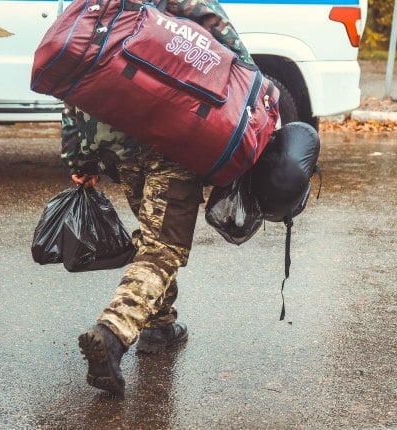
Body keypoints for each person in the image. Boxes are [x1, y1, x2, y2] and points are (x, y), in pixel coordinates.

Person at [60, 0, 254, 396]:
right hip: (176, 134)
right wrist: (251, 85)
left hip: (116, 141)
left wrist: (79, 155)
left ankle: (160, 326)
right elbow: (220, 33)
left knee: (153, 233)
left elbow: (73, 81)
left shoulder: (96, 7)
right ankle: (113, 331)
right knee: (163, 248)